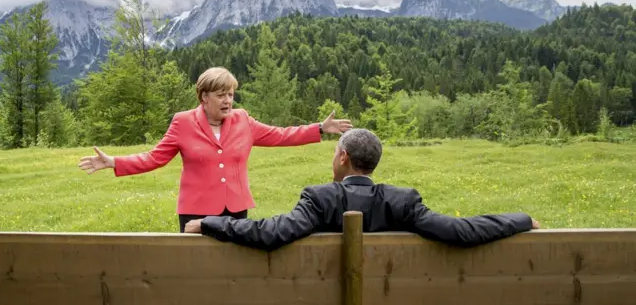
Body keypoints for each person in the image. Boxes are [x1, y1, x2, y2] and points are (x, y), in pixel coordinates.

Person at [78, 66, 353, 232]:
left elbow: (279, 135)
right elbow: (155, 158)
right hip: (195, 210)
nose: (228, 100)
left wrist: (318, 128)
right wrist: (114, 162)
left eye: (231, 94)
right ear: (204, 96)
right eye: (221, 95)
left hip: (235, 209)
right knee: (197, 270)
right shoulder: (182, 122)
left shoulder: (243, 119)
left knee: (233, 269)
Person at [184, 128, 540, 251]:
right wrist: (521, 219)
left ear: (342, 157)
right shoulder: (402, 201)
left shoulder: (319, 198)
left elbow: (271, 233)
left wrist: (211, 223)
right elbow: (461, 231)